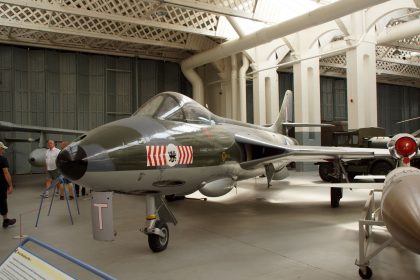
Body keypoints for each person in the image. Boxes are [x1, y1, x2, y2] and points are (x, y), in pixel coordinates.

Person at [0, 141, 16, 228]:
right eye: (2, 149)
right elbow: (6, 173)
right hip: (1, 186)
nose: (3, 151)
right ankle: (5, 221)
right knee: (2, 202)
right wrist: (10, 185)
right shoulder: (3, 159)